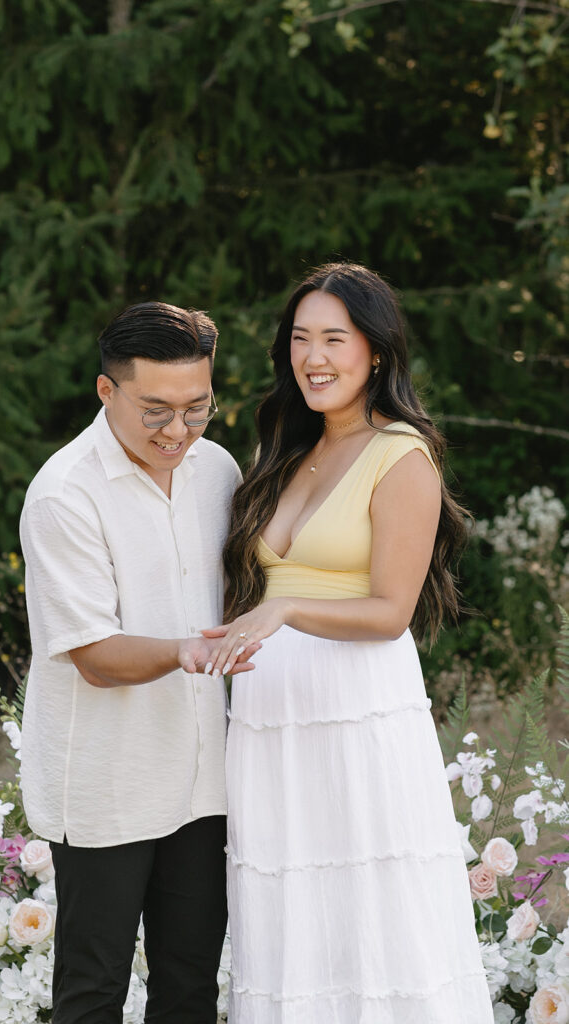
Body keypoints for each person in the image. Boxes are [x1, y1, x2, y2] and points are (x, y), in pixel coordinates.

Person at [203, 264, 494, 1023]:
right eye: (300, 338)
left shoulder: (401, 454)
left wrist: (285, 608)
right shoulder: (288, 450)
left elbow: (390, 610)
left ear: (375, 350)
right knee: (291, 906)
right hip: (272, 720)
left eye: (334, 337)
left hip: (357, 712)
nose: (313, 357)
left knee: (372, 905)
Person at [19, 301, 258, 1024]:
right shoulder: (64, 493)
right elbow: (93, 654)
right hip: (106, 781)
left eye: (197, 408)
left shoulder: (216, 468)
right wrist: (191, 649)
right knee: (93, 989)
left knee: (189, 984)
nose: (177, 431)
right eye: (156, 410)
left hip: (202, 783)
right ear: (105, 391)